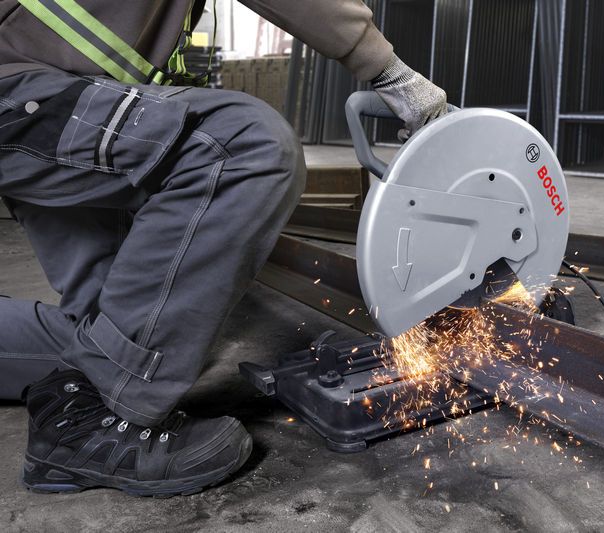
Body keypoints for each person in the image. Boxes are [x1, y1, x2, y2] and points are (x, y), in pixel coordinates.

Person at [0, 0, 448, 496]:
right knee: (240, 147)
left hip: (53, 94)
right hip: (25, 89)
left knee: (110, 333)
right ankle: (89, 422)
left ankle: (87, 387)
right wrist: (389, 70)